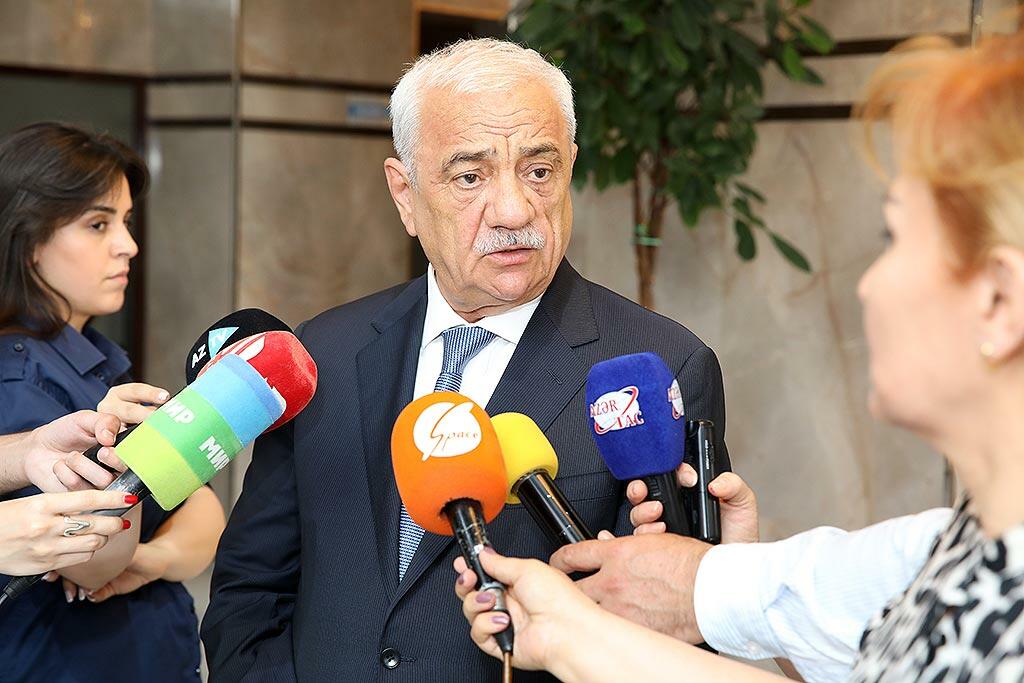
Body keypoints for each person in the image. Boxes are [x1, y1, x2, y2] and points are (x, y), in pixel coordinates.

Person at [457, 27, 1024, 682]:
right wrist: (579, 628)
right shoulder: (963, 542)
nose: (868, 283)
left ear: (998, 300)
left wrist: (578, 637)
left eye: (892, 237)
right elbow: (809, 598)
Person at [202, 38, 731, 681]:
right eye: (470, 177)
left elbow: (671, 634)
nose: (513, 210)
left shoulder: (659, 368)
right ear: (405, 194)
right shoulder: (324, 352)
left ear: (570, 168)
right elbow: (250, 588)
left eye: (539, 171)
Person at [0, 121, 225, 682]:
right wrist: (143, 542)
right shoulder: (19, 376)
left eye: (125, 221)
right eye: (98, 224)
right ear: (30, 241)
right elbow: (91, 561)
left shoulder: (96, 360)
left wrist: (150, 559)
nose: (128, 245)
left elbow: (204, 515)